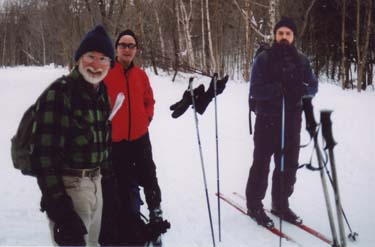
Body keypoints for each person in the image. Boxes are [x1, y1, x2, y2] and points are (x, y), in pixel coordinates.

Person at [30, 25, 114, 246]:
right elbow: (42, 156)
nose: (96, 65)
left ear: (110, 64)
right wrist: (60, 209)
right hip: (70, 188)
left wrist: (109, 183)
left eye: (103, 59)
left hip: (96, 184)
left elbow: (102, 139)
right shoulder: (60, 94)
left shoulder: (102, 92)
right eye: (90, 56)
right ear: (78, 59)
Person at [245, 17, 318, 228]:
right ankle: (254, 204)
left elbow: (312, 86)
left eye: (288, 34)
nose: (284, 37)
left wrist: (300, 89)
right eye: (280, 33)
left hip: (292, 122)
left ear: (293, 37)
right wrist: (279, 88)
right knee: (261, 165)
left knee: (287, 167)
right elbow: (255, 90)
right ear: (275, 35)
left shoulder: (302, 61)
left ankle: (280, 203)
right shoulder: (264, 59)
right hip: (267, 121)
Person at [103, 29, 169, 245]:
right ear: (116, 48)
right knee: (121, 183)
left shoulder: (140, 75)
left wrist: (145, 119)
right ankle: (126, 219)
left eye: (131, 46)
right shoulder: (106, 72)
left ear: (136, 50)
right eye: (123, 45)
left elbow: (149, 101)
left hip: (140, 138)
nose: (127, 49)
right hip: (115, 142)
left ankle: (155, 211)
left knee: (149, 174)